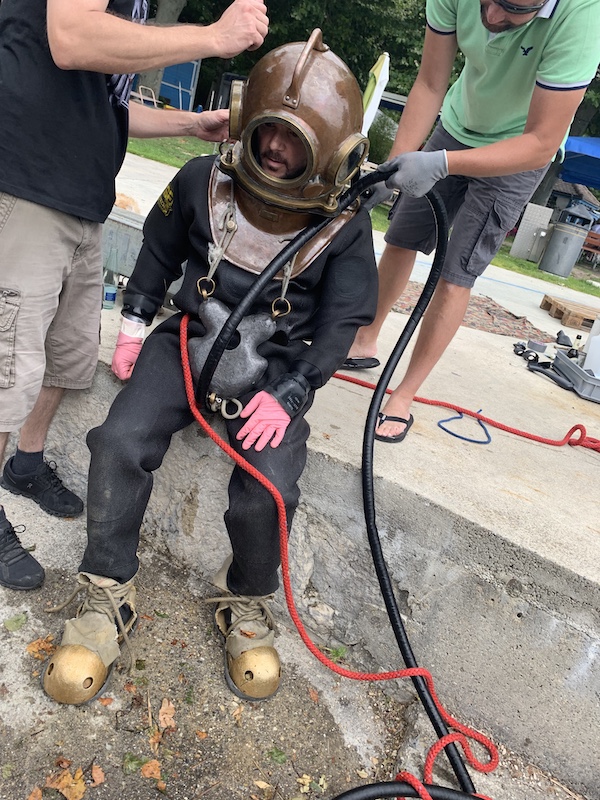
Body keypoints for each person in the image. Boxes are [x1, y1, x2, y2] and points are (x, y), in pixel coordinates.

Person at [41, 30, 377, 705]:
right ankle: (106, 593)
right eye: (269, 133)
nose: (276, 150)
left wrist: (291, 390)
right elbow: (159, 251)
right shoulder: (203, 179)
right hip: (190, 340)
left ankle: (246, 603)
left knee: (272, 492)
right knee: (117, 441)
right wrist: (136, 320)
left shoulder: (344, 224)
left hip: (275, 367)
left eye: (295, 141)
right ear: (247, 119)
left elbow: (341, 325)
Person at [0, 0, 269, 591]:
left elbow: (106, 103)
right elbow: (71, 38)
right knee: (6, 372)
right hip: (27, 187)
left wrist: (190, 124)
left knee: (66, 361)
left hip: (82, 203)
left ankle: (24, 465)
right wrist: (212, 37)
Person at [345, 0, 600, 443]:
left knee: (455, 273)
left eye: (515, 11)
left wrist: (443, 165)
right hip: (458, 123)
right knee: (402, 237)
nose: (493, 18)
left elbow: (542, 142)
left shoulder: (582, 19)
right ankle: (365, 340)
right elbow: (428, 82)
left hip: (519, 151)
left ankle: (404, 394)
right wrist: (393, 167)